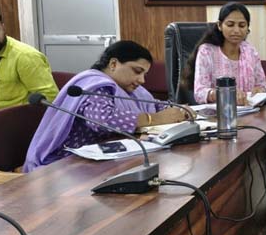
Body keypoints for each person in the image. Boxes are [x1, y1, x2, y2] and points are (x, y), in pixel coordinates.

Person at [24, 40, 192, 172]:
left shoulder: (129, 89)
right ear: (113, 64)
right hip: (67, 163)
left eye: (144, 74)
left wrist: (180, 111)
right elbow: (102, 120)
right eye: (137, 71)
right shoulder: (94, 85)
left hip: (102, 158)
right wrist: (154, 119)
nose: (142, 80)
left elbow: (154, 105)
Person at [183, 2, 266, 105]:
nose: (236, 30)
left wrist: (259, 90)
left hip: (249, 109)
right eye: (230, 25)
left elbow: (261, 85)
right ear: (219, 25)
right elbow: (200, 93)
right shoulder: (207, 52)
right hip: (218, 111)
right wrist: (225, 94)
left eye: (242, 25)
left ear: (247, 28)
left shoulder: (250, 51)